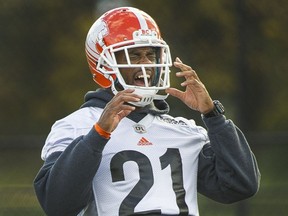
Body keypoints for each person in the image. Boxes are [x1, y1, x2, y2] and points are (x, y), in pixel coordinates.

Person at [34, 6, 260, 216]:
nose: (147, 64)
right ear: (104, 64)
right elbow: (57, 205)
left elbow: (241, 185)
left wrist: (213, 116)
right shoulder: (77, 125)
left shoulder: (183, 129)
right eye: (134, 55)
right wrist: (98, 135)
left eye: (150, 55)